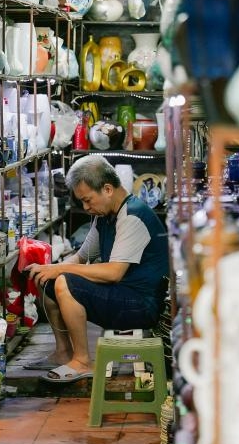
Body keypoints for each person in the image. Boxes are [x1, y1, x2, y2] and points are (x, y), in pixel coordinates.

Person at [26, 155, 169, 383]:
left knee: (64, 282)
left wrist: (59, 271)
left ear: (108, 189)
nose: (86, 207)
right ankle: (63, 352)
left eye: (88, 200)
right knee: (47, 281)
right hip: (123, 295)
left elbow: (113, 273)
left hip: (142, 305)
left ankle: (82, 361)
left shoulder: (133, 216)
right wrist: (48, 269)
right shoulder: (104, 216)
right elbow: (80, 257)